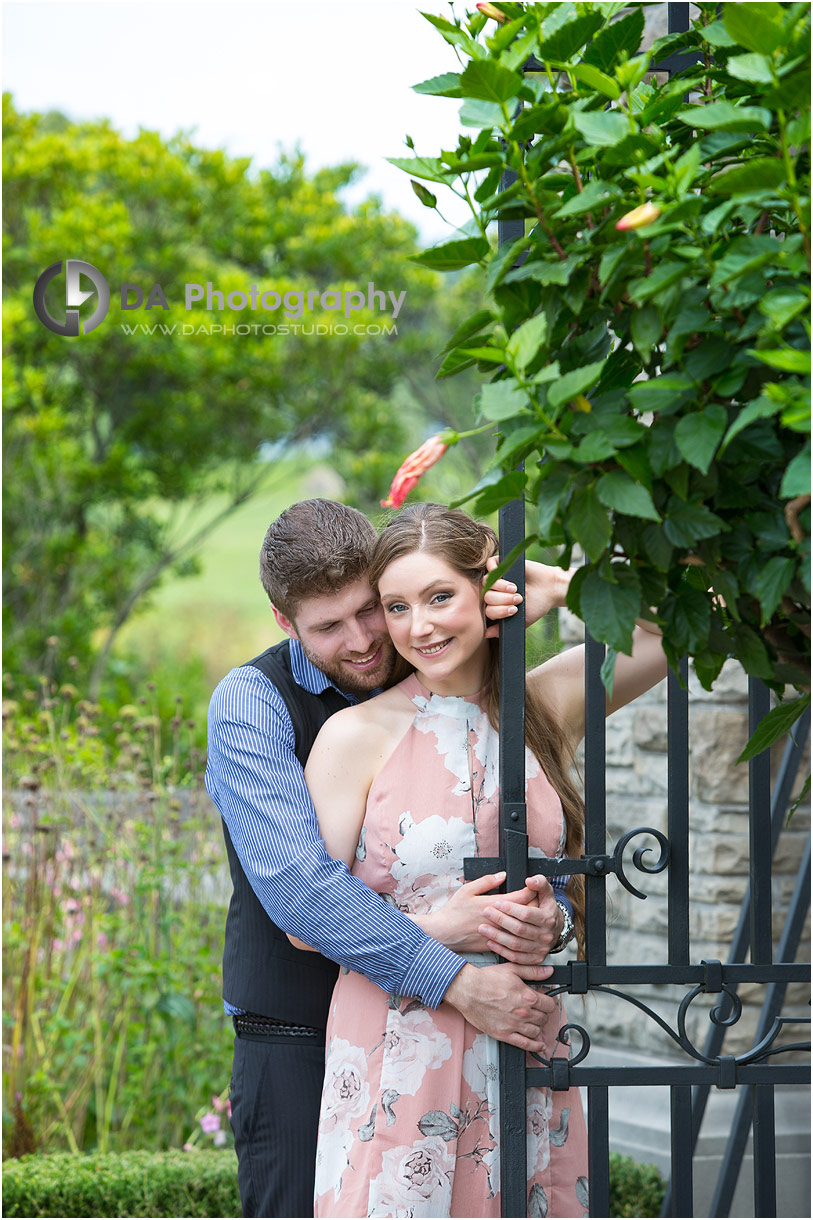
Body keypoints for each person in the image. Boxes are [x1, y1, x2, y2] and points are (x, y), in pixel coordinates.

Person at [205, 498, 577, 1218]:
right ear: (285, 624)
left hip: (462, 1038)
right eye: (327, 628)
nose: (364, 642)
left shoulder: (431, 676)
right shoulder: (251, 703)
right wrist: (457, 968)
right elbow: (306, 896)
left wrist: (510, 614)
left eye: (369, 611)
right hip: (298, 1035)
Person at [298, 503, 668, 1218]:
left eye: (440, 597)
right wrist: (448, 927)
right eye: (396, 607)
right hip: (401, 1036)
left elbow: (668, 630)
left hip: (527, 1029)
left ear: (487, 593)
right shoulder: (354, 736)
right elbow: (306, 923)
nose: (419, 627)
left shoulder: (543, 703)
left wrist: (557, 586)